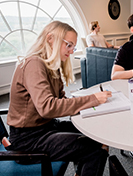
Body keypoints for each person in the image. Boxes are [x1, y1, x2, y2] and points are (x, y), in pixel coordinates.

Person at [6, 21, 112, 176]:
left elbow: (61, 99)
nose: (71, 51)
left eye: (73, 47)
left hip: (45, 127)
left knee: (96, 134)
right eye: (68, 45)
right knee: (94, 151)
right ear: (50, 39)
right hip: (27, 140)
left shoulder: (51, 66)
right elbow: (48, 107)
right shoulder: (34, 63)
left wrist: (88, 104)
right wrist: (92, 99)